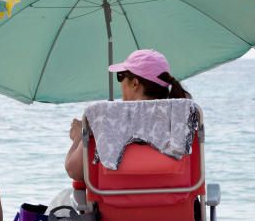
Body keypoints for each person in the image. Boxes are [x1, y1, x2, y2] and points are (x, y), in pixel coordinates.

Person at [64, 49, 190, 182]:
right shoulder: (181, 119)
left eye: (120, 76)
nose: (120, 83)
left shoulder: (106, 117)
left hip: (114, 201)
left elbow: (74, 171)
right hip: (171, 199)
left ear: (135, 83)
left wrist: (80, 136)